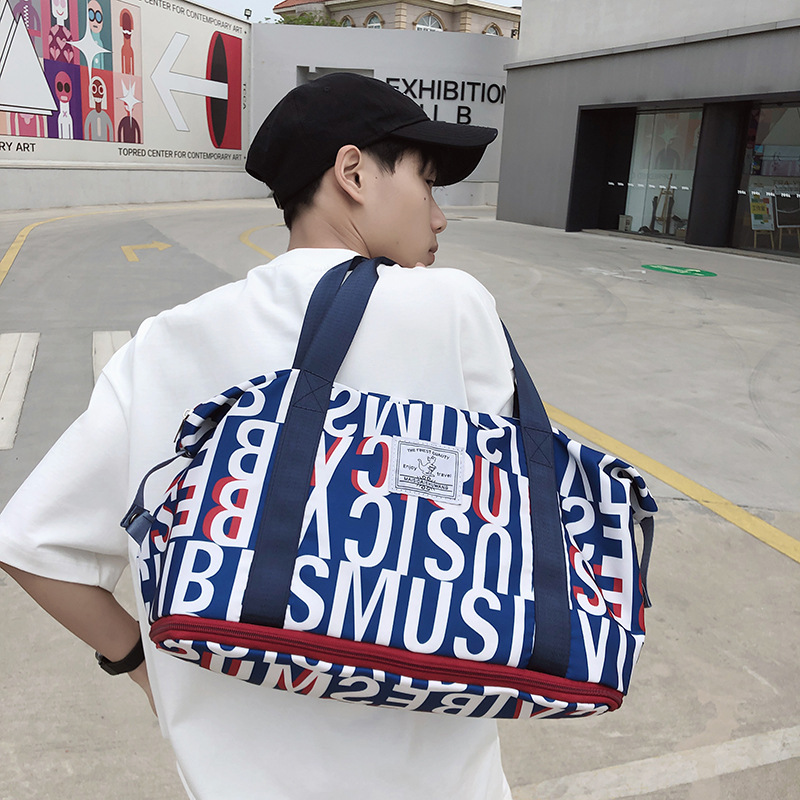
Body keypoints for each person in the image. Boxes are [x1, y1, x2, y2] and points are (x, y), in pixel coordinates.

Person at [0, 73, 516, 799]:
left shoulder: (165, 344)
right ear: (353, 173)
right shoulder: (452, 307)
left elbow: (30, 545)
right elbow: (502, 509)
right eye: (427, 183)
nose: (439, 216)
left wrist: (142, 666)